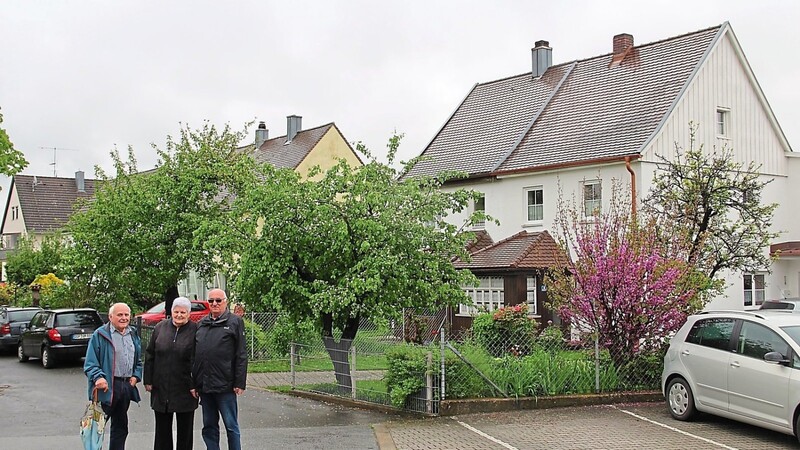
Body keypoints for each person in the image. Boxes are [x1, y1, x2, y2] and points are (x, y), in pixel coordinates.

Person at [193, 288, 247, 450]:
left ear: (226, 302)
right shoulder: (202, 324)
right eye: (211, 301)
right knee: (209, 426)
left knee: (231, 426)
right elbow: (195, 355)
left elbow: (241, 354)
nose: (214, 304)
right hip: (205, 386)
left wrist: (239, 382)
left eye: (218, 300)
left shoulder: (234, 322)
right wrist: (195, 383)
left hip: (226, 385)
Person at [84, 303, 143, 450]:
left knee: (121, 428)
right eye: (119, 315)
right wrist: (99, 378)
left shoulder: (133, 333)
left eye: (126, 315)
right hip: (106, 388)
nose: (124, 318)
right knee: (96, 429)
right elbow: (90, 363)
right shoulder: (100, 335)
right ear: (110, 317)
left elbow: (139, 361)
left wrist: (135, 377)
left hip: (125, 387)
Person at [144, 297, 199, 450]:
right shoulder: (160, 328)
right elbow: (150, 355)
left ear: (189, 314)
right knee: (162, 431)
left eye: (183, 312)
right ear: (171, 312)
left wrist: (195, 384)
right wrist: (148, 380)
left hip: (186, 388)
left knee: (185, 431)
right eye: (176, 311)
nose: (179, 315)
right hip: (161, 387)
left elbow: (198, 359)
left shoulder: (195, 330)